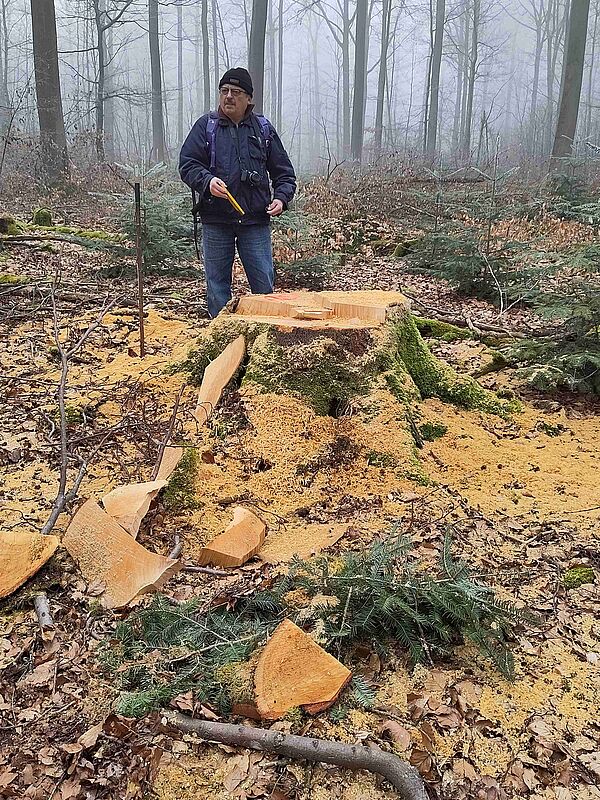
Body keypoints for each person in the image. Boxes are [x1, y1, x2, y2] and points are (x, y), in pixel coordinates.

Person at [179, 67, 296, 317]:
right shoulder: (206, 127)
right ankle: (222, 338)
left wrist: (281, 198)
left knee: (264, 286)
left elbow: (284, 173)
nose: (229, 96)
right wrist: (207, 181)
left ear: (249, 99)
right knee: (217, 286)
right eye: (224, 91)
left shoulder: (263, 129)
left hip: (255, 221)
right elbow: (187, 164)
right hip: (216, 219)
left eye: (236, 91)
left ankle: (265, 338)